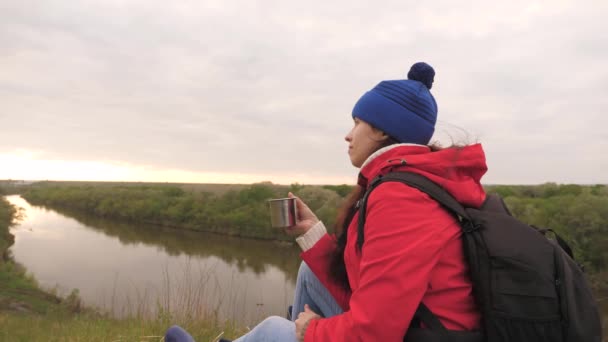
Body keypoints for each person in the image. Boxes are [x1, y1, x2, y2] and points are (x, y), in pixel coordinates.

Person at [165, 62, 486, 342]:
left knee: (275, 330)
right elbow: (369, 292)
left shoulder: (402, 200)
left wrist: (311, 331)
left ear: (381, 129)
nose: (349, 135)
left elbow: (375, 334)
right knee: (310, 272)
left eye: (357, 122)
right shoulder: (412, 183)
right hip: (418, 328)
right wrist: (312, 232)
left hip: (417, 335)